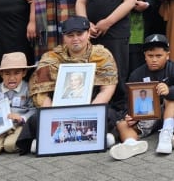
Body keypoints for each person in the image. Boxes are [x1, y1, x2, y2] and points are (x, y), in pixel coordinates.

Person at [18, 16, 120, 153]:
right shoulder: (51, 57)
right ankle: (94, 138)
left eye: (80, 34)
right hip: (58, 108)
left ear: (88, 33)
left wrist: (90, 112)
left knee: (109, 115)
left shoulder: (102, 55)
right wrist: (53, 114)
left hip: (91, 105)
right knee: (36, 119)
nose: (75, 39)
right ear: (64, 37)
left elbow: (107, 88)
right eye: (70, 35)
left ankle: (48, 140)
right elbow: (40, 91)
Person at [76, 0, 139, 107]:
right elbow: (81, 2)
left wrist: (107, 22)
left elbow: (129, 2)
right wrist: (86, 24)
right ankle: (93, 105)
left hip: (115, 33)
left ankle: (118, 109)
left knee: (116, 70)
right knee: (92, 70)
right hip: (91, 34)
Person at [111, 34, 174, 159]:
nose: (154, 60)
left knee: (171, 99)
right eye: (150, 56)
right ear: (145, 56)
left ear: (167, 55)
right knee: (122, 123)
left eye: (159, 56)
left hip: (169, 115)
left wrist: (169, 90)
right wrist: (131, 115)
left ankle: (166, 135)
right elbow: (128, 100)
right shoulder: (136, 74)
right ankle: (131, 143)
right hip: (146, 115)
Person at [0, 52, 37, 157]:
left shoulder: (28, 89)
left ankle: (12, 143)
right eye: (7, 74)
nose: (12, 78)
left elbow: (33, 109)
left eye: (17, 73)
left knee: (10, 146)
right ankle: (0, 144)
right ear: (1, 74)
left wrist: (22, 118)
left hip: (19, 126)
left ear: (24, 73)